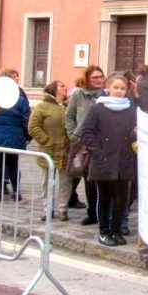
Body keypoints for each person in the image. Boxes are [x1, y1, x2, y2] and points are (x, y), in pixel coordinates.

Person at [80, 75, 137, 247]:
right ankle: (104, 231)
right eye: (116, 88)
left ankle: (116, 230)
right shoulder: (98, 108)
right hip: (104, 161)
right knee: (105, 198)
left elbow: (133, 131)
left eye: (122, 89)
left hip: (124, 160)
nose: (119, 92)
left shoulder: (130, 109)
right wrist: (98, 151)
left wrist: (135, 135)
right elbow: (87, 132)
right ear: (108, 89)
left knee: (121, 199)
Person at [0, 69, 31, 202]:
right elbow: (27, 119)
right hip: (13, 137)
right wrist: (27, 136)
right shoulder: (19, 100)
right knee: (12, 163)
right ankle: (16, 191)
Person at [28, 80, 73, 222]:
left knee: (66, 181)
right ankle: (47, 209)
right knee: (47, 182)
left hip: (65, 151)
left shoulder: (69, 107)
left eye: (65, 86)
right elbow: (33, 126)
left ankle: (63, 209)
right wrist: (45, 140)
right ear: (54, 89)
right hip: (48, 150)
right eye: (61, 86)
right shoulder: (42, 106)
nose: (65, 88)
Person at [66, 66, 105, 226]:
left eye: (101, 77)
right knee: (88, 179)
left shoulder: (106, 95)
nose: (99, 80)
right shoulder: (78, 94)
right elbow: (69, 115)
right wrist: (72, 134)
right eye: (95, 77)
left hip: (101, 142)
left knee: (101, 180)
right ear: (87, 78)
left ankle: (101, 212)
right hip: (82, 143)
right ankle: (92, 213)